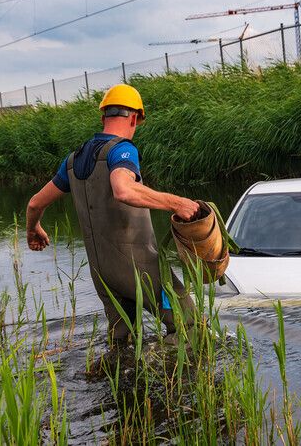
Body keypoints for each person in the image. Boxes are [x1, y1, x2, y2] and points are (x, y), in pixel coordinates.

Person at [26, 84, 199, 344]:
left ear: (102, 117)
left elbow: (34, 204)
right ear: (135, 118)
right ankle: (176, 379)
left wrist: (33, 229)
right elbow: (124, 190)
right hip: (140, 269)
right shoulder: (123, 151)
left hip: (103, 274)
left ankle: (121, 381)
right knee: (191, 326)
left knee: (123, 343)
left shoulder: (72, 161)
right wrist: (176, 203)